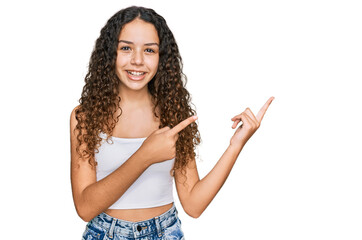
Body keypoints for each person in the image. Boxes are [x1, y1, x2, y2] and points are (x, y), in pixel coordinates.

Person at [70, 6, 274, 240]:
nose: (137, 60)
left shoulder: (173, 114)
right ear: (110, 54)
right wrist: (145, 155)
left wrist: (236, 145)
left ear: (161, 57)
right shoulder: (85, 117)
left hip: (166, 232)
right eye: (126, 48)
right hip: (104, 233)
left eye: (149, 50)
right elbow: (85, 208)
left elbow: (193, 205)